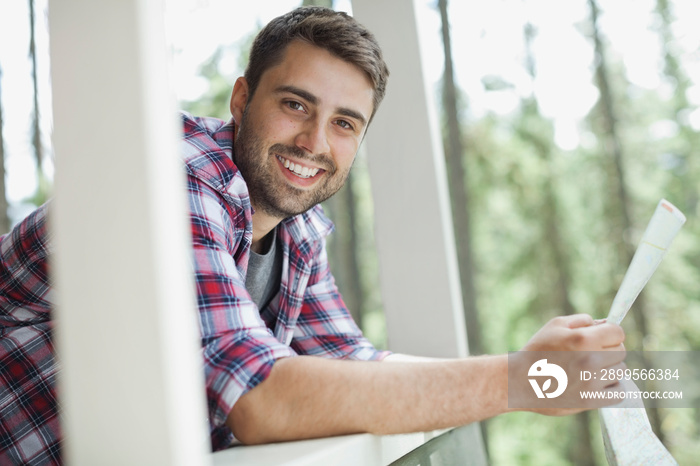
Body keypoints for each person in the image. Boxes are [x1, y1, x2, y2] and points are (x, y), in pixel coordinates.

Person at [0, 6, 625, 464]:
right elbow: (259, 398)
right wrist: (519, 380)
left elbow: (353, 363)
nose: (315, 144)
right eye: (296, 105)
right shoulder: (173, 179)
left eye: (344, 123)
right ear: (242, 99)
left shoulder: (296, 230)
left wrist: (537, 364)